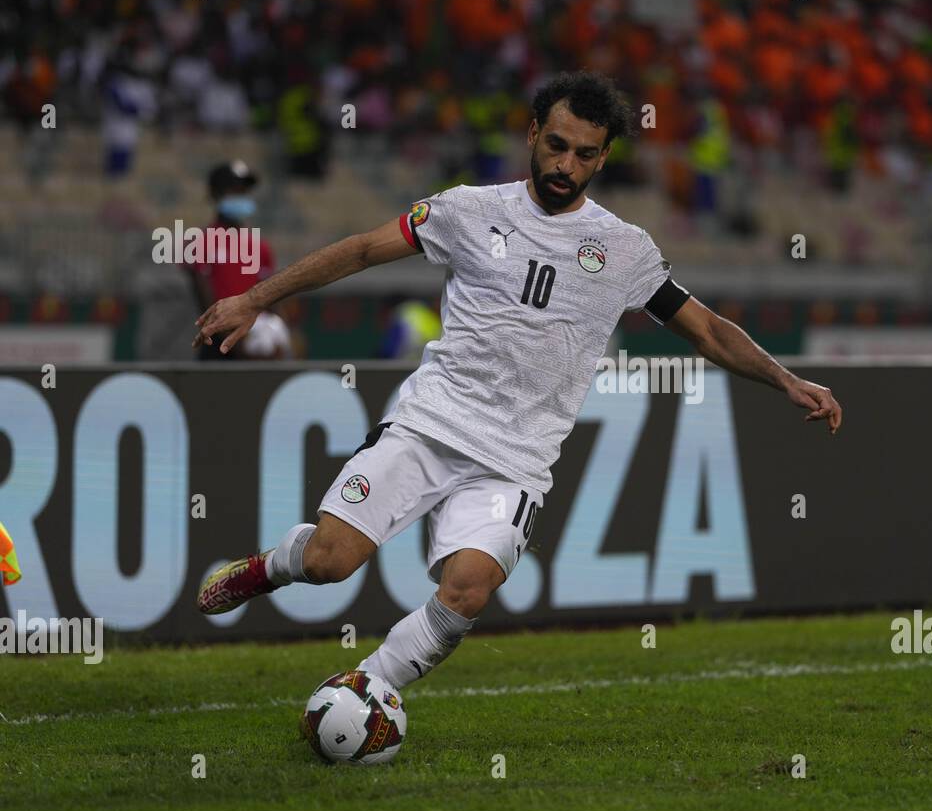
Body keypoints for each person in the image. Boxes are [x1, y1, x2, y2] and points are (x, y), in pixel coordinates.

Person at [192, 72, 842, 692]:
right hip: (427, 427)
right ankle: (272, 566)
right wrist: (254, 300)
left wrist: (785, 380)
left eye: (584, 154)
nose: (566, 165)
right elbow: (362, 250)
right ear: (532, 133)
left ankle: (367, 689)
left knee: (467, 590)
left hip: (514, 463)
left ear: (603, 157)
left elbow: (706, 330)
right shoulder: (468, 211)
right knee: (329, 563)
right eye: (556, 146)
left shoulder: (624, 249)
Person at [185, 160, 289, 360]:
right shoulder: (201, 241)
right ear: (216, 194)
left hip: (255, 343)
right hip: (218, 343)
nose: (241, 196)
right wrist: (231, 340)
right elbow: (203, 294)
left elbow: (271, 293)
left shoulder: (260, 246)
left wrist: (285, 333)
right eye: (234, 191)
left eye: (244, 191)